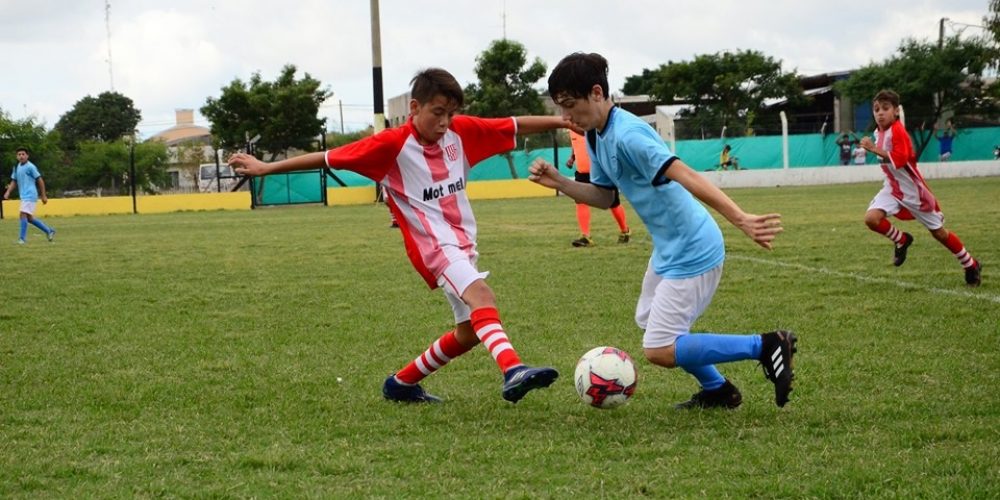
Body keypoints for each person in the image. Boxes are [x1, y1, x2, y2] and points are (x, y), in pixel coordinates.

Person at [229, 68, 565, 404]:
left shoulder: (460, 133)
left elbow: (515, 124)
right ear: (415, 108)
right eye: (437, 112)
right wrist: (266, 168)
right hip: (435, 248)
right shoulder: (392, 144)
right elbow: (329, 157)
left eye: (450, 114)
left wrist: (564, 122)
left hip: (463, 245)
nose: (445, 121)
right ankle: (513, 369)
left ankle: (401, 384)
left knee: (468, 334)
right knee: (483, 297)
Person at [530, 52, 796, 409]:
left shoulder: (629, 135)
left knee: (659, 348)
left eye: (569, 105)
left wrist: (740, 218)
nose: (565, 117)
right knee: (650, 321)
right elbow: (606, 197)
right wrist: (560, 182)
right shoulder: (596, 135)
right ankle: (718, 390)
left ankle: (766, 345)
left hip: (694, 248)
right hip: (669, 248)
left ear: (596, 93)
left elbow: (685, 174)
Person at [858, 90, 981, 286]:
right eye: (876, 109)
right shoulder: (878, 132)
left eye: (885, 108)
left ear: (896, 112)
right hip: (892, 188)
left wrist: (873, 149)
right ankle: (902, 239)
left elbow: (900, 159)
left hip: (913, 192)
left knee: (939, 233)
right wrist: (872, 147)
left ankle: (970, 264)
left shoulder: (898, 131)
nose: (880, 113)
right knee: (871, 219)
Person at [566, 129, 630, 247]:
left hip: (601, 170)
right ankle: (585, 236)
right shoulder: (571, 128)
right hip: (582, 172)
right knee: (580, 202)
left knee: (613, 203)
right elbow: (576, 144)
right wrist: (572, 158)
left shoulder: (591, 124)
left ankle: (625, 231)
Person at [4, 147, 55, 244]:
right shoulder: (16, 167)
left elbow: (40, 180)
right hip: (24, 195)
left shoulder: (31, 167)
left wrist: (43, 195)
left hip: (30, 194)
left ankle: (22, 239)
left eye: (23, 154)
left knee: (22, 214)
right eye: (19, 154)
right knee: (29, 218)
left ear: (27, 156)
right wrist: (8, 191)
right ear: (16, 156)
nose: (21, 156)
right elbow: (14, 181)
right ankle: (49, 231)